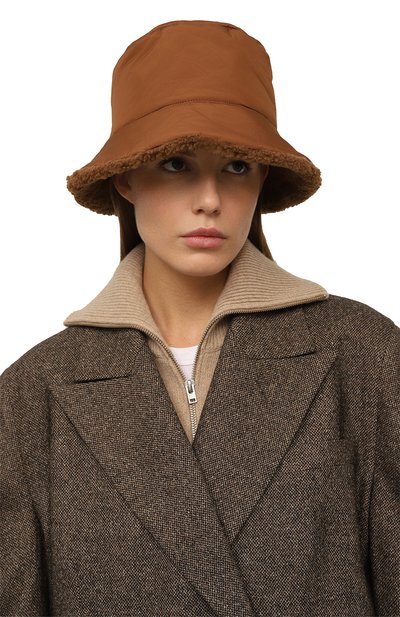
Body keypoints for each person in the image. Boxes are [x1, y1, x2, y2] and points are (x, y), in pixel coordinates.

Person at [0, 19, 398, 617]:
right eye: (176, 164)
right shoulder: (32, 396)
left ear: (263, 178)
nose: (210, 199)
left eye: (237, 166)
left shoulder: (364, 355)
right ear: (126, 178)